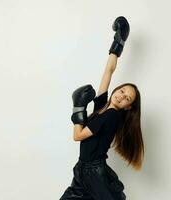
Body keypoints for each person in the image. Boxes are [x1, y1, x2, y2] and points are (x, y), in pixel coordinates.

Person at [60, 16, 144, 200]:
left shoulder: (112, 116)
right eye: (122, 91)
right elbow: (109, 72)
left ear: (128, 107)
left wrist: (79, 108)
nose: (121, 96)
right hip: (83, 169)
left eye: (126, 98)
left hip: (94, 173)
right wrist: (119, 42)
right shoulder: (103, 106)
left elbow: (78, 135)